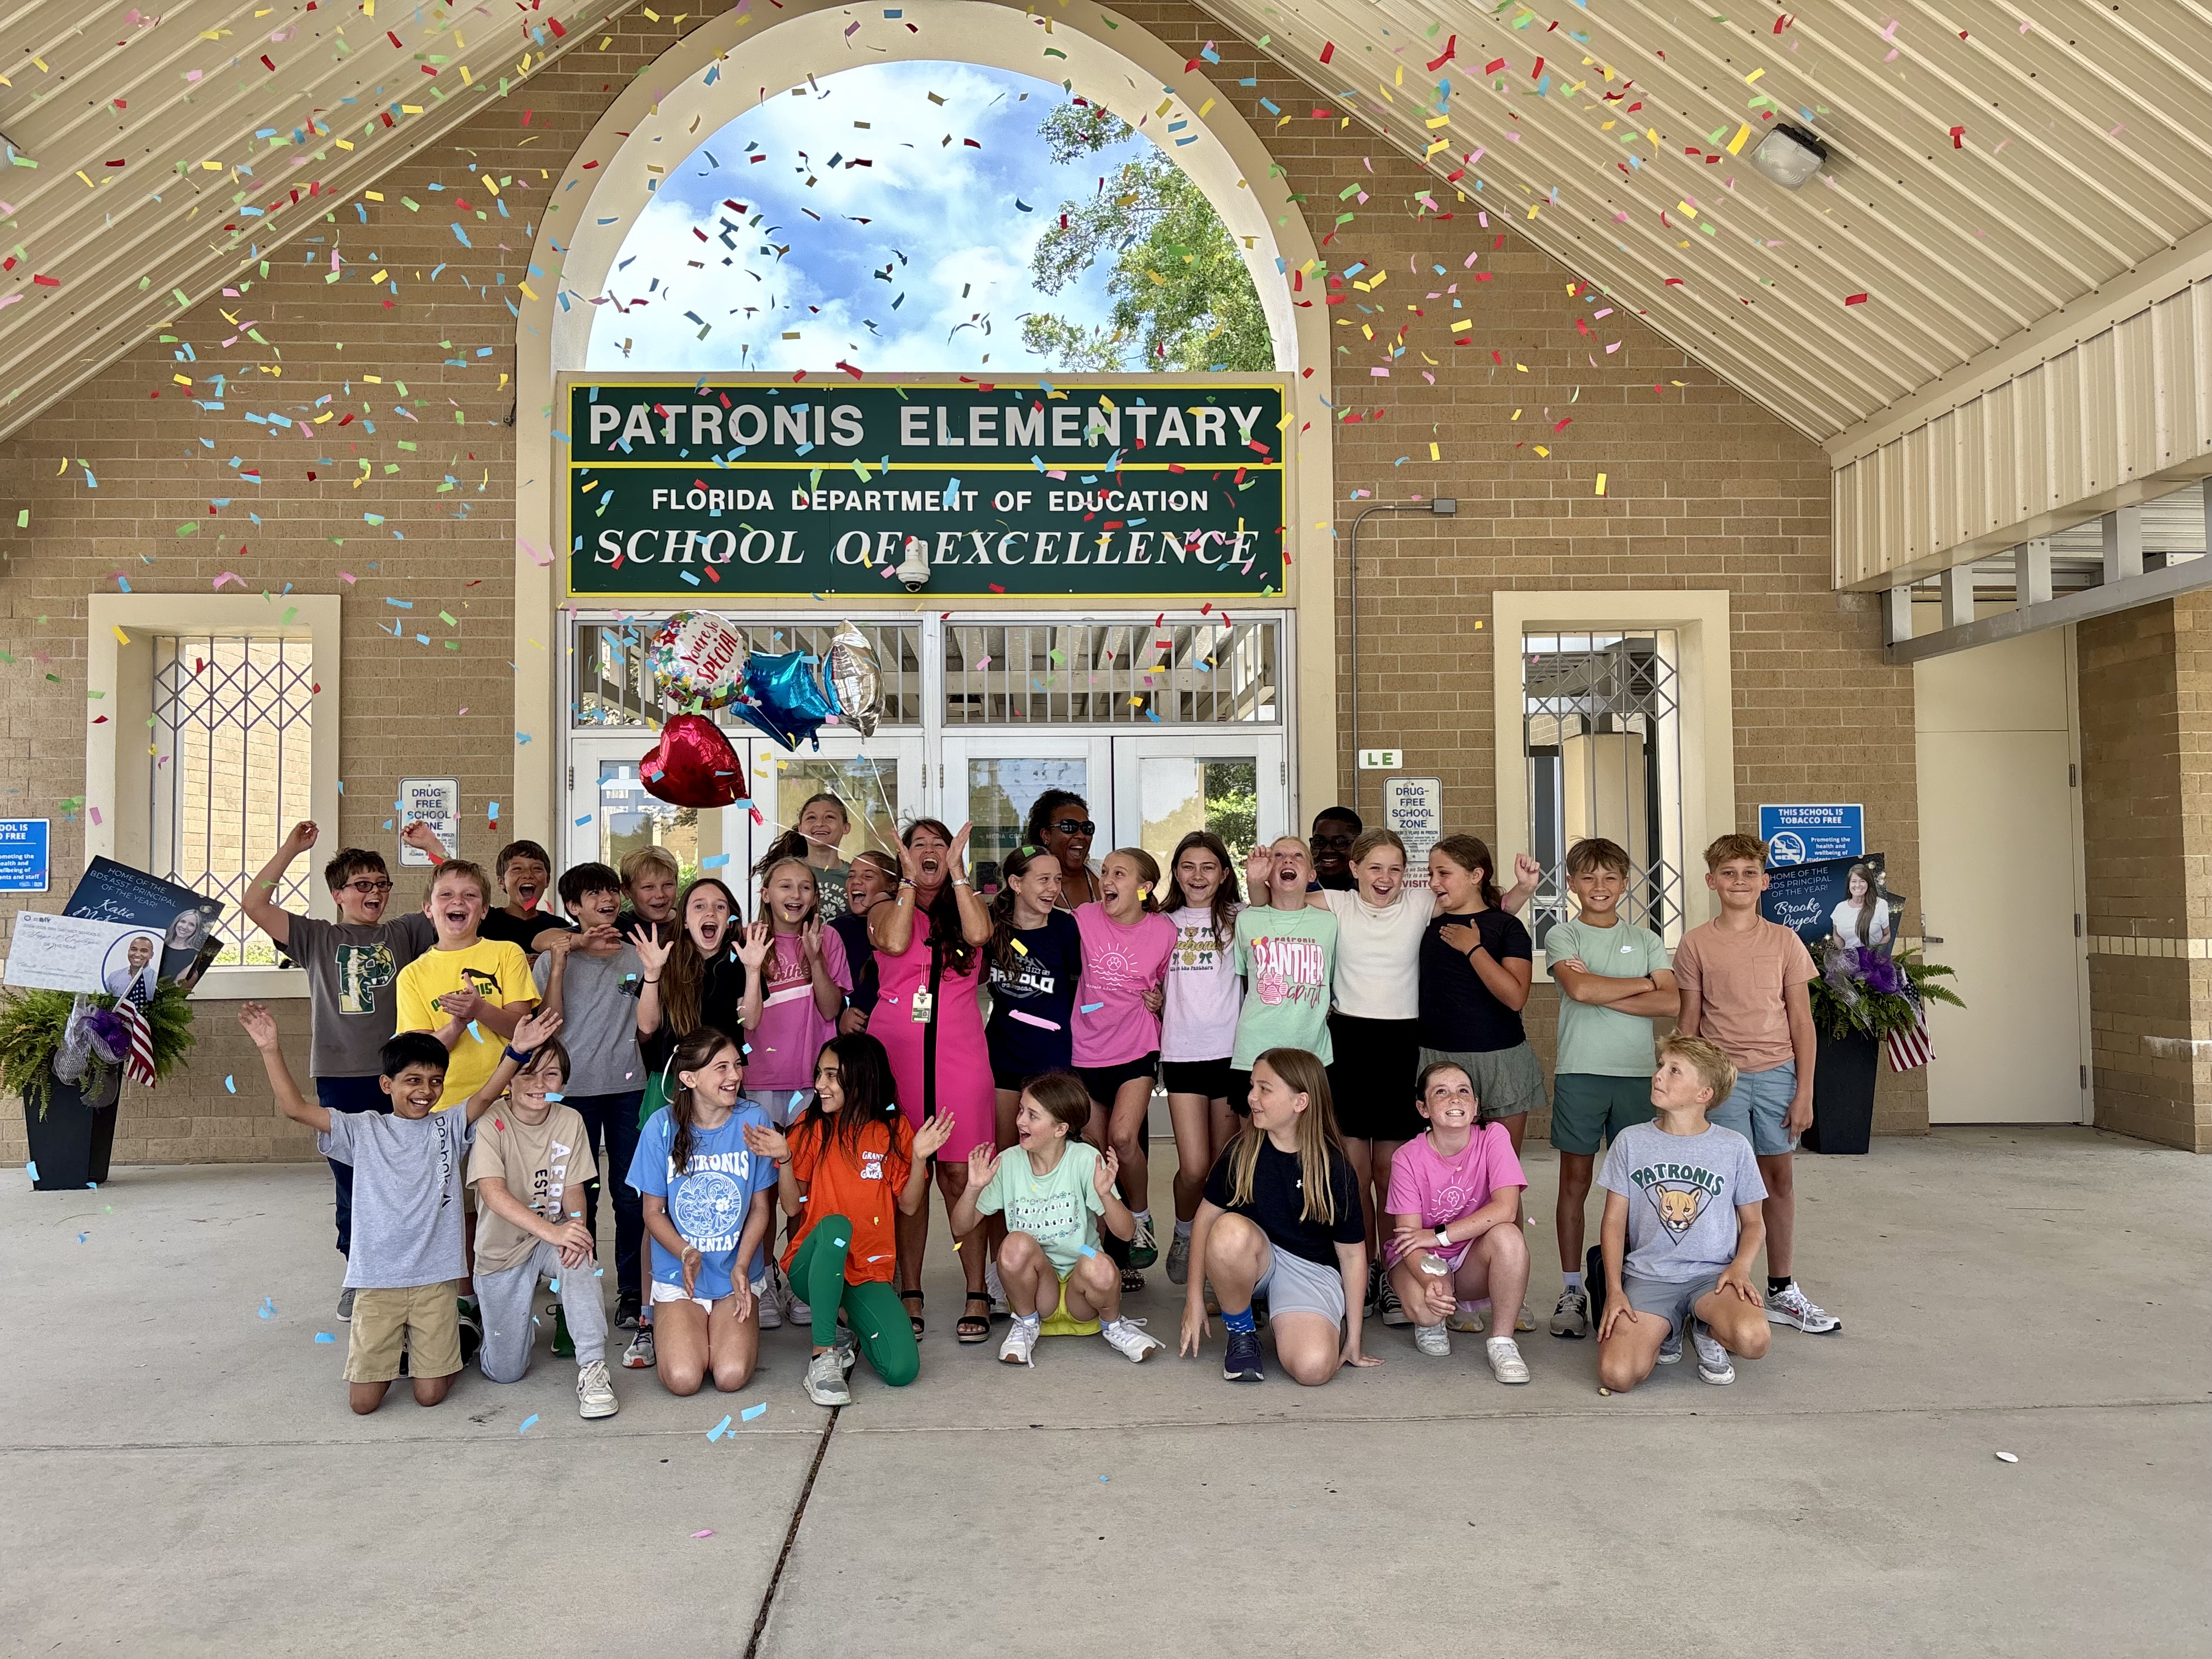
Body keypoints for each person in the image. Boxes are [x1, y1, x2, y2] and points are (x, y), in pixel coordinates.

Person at [238, 999, 545, 1414]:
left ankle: (462, 1334)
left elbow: (489, 1093)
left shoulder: (448, 1125)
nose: (425, 1091)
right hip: (377, 1281)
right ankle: (409, 1345)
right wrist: (270, 1048)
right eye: (413, 1080)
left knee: (429, 1395)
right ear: (388, 1085)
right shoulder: (363, 1128)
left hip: (435, 1280)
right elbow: (296, 1109)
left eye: (436, 1082)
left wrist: (517, 1051)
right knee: (363, 1405)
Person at [241, 819, 448, 1317]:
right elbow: (255, 905)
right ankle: (359, 1273)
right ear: (339, 894)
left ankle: (413, 1269)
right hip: (340, 1075)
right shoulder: (316, 938)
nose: (374, 892)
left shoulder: (403, 932)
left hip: (398, 1075)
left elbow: (455, 897)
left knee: (410, 1174)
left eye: (381, 883)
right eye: (362, 885)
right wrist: (292, 848)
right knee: (353, 1178)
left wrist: (432, 849)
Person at [1672, 833, 1839, 1335]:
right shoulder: (1697, 943)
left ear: (1765, 880)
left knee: (1777, 1180)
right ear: (1711, 882)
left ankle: (1782, 1287)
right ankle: (1716, 1288)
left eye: (1749, 873)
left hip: (1777, 1075)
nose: (1739, 881)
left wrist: (1805, 1090)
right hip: (1719, 1081)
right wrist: (1682, 1085)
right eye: (1728, 873)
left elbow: (1802, 1022)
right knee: (1720, 1186)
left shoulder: (1785, 941)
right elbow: (1689, 1022)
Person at [743, 1034, 953, 1407]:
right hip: (813, 1265)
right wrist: (787, 1159)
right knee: (837, 1228)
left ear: (860, 1078)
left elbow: (908, 1206)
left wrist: (920, 1158)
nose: (819, 1085)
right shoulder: (810, 1126)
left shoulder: (894, 1129)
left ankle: (845, 1329)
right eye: (819, 1074)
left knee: (902, 1370)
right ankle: (822, 1357)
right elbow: (792, 1208)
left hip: (868, 1271)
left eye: (831, 1076)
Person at [1542, 836, 1677, 1341]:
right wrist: (1640, 983)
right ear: (1573, 884)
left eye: (1610, 878)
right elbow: (1579, 991)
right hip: (1581, 1072)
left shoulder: (1646, 939)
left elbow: (1671, 1004)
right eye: (1588, 878)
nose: (1599, 887)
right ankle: (1573, 1289)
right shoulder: (1563, 935)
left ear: (1625, 884)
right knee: (1575, 1183)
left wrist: (1605, 987)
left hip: (1640, 1077)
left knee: (1641, 1188)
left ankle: (1638, 1284)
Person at [1178, 1048, 1376, 1386]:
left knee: (1314, 1370)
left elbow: (1352, 1254)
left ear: (1301, 1102)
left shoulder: (1336, 1167)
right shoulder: (1241, 1151)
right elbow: (1205, 1222)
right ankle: (1242, 1330)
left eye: (1265, 1089)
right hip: (1258, 1256)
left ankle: (1281, 1312)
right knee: (1228, 1231)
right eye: (1252, 1086)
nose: (1252, 1097)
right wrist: (1194, 1299)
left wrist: (1353, 1340)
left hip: (1310, 1268)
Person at [870, 818, 994, 1341]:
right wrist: (904, 880)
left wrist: (958, 876)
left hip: (960, 1057)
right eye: (917, 844)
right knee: (908, 1178)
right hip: (896, 1057)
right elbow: (896, 942)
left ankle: (976, 1290)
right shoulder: (883, 905)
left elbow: (980, 935)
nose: (929, 851)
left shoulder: (968, 904)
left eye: (938, 845)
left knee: (960, 1177)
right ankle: (912, 1290)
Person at [1593, 1034, 1772, 1391]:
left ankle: (1708, 1331)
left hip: (1714, 1277)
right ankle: (1669, 1330)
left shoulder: (1733, 1147)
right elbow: (1614, 1223)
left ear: (1703, 1094)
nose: (1659, 1075)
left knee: (1754, 1340)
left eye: (1675, 1070)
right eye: (1661, 1067)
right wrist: (1615, 1290)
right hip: (1650, 1276)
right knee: (1618, 1376)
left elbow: (1754, 1224)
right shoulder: (1631, 1141)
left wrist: (1740, 1268)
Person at [951, 1070, 1163, 1366]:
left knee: (1098, 1261)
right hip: (1039, 1286)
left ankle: (1114, 1325)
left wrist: (1106, 1195)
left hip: (1081, 1263)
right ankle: (1025, 1324)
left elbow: (1127, 1233)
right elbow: (961, 1227)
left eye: (1033, 1116)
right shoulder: (1008, 1163)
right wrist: (973, 1188)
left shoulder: (1085, 1159)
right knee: (1014, 1244)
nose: (1021, 1121)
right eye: (1021, 1111)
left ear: (1060, 1128)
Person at [466, 1027, 620, 1420]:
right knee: (506, 1372)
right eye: (528, 1073)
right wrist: (553, 1231)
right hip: (502, 1251)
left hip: (548, 1239)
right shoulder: (491, 1123)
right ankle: (503, 1329)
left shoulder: (569, 1120)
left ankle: (593, 1367)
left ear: (563, 1083)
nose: (539, 1084)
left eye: (551, 1074)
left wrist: (576, 1229)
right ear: (509, 1081)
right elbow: (492, 1194)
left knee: (579, 1256)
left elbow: (573, 1189)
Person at [629, 876, 749, 1359]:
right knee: (657, 1206)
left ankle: (743, 1288)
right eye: (700, 904)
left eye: (720, 906)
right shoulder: (666, 959)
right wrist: (654, 975)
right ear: (684, 916)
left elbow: (754, 1023)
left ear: (730, 918)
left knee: (736, 1193)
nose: (711, 913)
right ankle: (647, 1313)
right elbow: (647, 1027)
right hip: (666, 1095)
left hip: (725, 1095)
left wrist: (757, 971)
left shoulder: (741, 963)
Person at [625, 1026, 779, 1397]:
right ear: (689, 1078)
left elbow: (761, 1208)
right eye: (721, 1068)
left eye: (737, 1065)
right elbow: (652, 1212)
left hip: (735, 1273)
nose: (735, 1076)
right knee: (683, 1379)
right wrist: (686, 1252)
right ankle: (675, 1325)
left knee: (730, 1375)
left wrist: (742, 1266)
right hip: (682, 1276)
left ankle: (721, 1326)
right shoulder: (660, 1127)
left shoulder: (754, 1118)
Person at [529, 861, 647, 1334]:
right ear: (573, 908)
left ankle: (632, 1291)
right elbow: (550, 1023)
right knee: (578, 1199)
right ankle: (579, 1293)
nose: (608, 900)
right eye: (593, 894)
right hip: (571, 1095)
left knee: (631, 1194)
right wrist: (560, 961)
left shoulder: (637, 954)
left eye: (612, 891)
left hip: (627, 1090)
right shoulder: (551, 959)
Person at [1384, 1061, 1531, 1380]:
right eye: (1442, 1092)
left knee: (1509, 1236)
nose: (1455, 1099)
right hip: (1420, 1256)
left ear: (1475, 1106)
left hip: (1467, 1256)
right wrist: (1432, 1284)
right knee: (1426, 1310)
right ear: (1423, 1108)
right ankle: (1433, 1315)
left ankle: (1503, 1341)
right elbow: (1411, 1240)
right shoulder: (1407, 1157)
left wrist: (1438, 1236)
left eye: (1463, 1091)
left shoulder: (1494, 1137)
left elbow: (1506, 1209)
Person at [1071, 847, 1175, 1287]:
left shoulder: (1164, 931)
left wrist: (1161, 1002)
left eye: (1119, 873)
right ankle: (1103, 1255)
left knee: (1122, 1137)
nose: (1107, 880)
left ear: (1144, 886)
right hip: (1085, 1047)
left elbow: (1175, 993)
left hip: (1136, 1048)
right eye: (1105, 872)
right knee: (1095, 1150)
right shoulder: (1083, 918)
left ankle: (1141, 1216)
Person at [1157, 831, 1243, 1289]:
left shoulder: (1240, 919)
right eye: (1188, 866)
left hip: (1231, 1055)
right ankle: (1185, 1231)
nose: (1198, 876)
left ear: (1224, 874)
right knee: (1193, 1166)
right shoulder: (1161, 922)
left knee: (1220, 1165)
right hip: (1183, 1053)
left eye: (1208, 867)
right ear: (1175, 872)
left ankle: (1214, 1257)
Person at [394, 859, 538, 1114]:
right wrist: (457, 1026)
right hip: (444, 1105)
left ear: (484, 910)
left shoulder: (508, 953)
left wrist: (480, 1009)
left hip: (507, 1097)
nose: (458, 901)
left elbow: (521, 1029)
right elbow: (418, 1055)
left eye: (469, 895)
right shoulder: (412, 975)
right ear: (428, 909)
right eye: (446, 894)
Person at [737, 858, 852, 1124]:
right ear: (766, 895)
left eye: (805, 888)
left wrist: (816, 959)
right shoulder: (747, 939)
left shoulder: (828, 937)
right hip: (757, 1076)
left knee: (806, 1160)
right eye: (785, 886)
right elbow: (741, 1015)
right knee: (764, 1161)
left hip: (815, 1075)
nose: (796, 896)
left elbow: (831, 1010)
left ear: (814, 898)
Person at [983, 844, 1081, 1141]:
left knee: (1048, 1152)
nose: (1053, 888)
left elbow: (1087, 984)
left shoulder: (1065, 927)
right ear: (1016, 884)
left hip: (1052, 1055)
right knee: (1007, 1151)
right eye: (1044, 880)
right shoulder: (991, 922)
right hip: (1003, 1053)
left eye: (1058, 879)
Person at [1231, 838, 1339, 1093]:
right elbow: (1245, 982)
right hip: (1255, 1048)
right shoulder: (1246, 920)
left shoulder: (1330, 923)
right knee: (1255, 1130)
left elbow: (1331, 981)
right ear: (1268, 870)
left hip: (1312, 1051)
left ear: (1312, 874)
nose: (1288, 860)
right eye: (1278, 855)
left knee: (1310, 1131)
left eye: (1298, 856)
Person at [753, 791, 855, 921]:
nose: (819, 824)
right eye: (811, 818)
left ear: (846, 828)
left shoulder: (855, 876)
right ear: (801, 828)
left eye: (829, 817)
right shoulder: (786, 873)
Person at [830, 849, 898, 1034]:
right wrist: (841, 1019)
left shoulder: (903, 927)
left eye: (868, 876)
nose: (856, 881)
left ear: (892, 886)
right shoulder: (838, 930)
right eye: (851, 876)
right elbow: (826, 989)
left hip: (898, 1030)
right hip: (858, 1042)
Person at [477, 840, 577, 956]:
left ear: (547, 880)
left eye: (537, 869)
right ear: (501, 881)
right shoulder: (484, 923)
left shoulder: (559, 927)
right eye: (517, 869)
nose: (528, 875)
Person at [1025, 788, 1100, 910]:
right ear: (1046, 836)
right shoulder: (1030, 885)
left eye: (1087, 828)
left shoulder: (1105, 872)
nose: (1081, 835)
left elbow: (1140, 898)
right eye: (1069, 827)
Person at [617, 845, 682, 945]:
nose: (660, 895)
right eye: (649, 887)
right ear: (626, 891)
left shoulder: (690, 924)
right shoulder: (618, 927)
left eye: (667, 885)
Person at [1827, 862, 1891, 951]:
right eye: (1854, 881)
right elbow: (1836, 935)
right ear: (1849, 885)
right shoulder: (1840, 908)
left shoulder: (1880, 905)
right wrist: (1845, 954)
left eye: (1862, 881)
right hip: (1850, 962)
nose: (1858, 885)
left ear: (1868, 884)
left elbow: (1888, 934)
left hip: (1874, 961)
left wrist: (1876, 954)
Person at [1308, 806, 1363, 892]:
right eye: (1319, 841)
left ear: (1358, 845)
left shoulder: (1371, 894)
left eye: (1339, 842)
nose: (1327, 850)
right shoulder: (1299, 892)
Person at [103, 934, 159, 1000]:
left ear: (151, 955)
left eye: (144, 951)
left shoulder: (157, 980)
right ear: (129, 951)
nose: (137, 955)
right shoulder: (113, 977)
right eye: (134, 950)